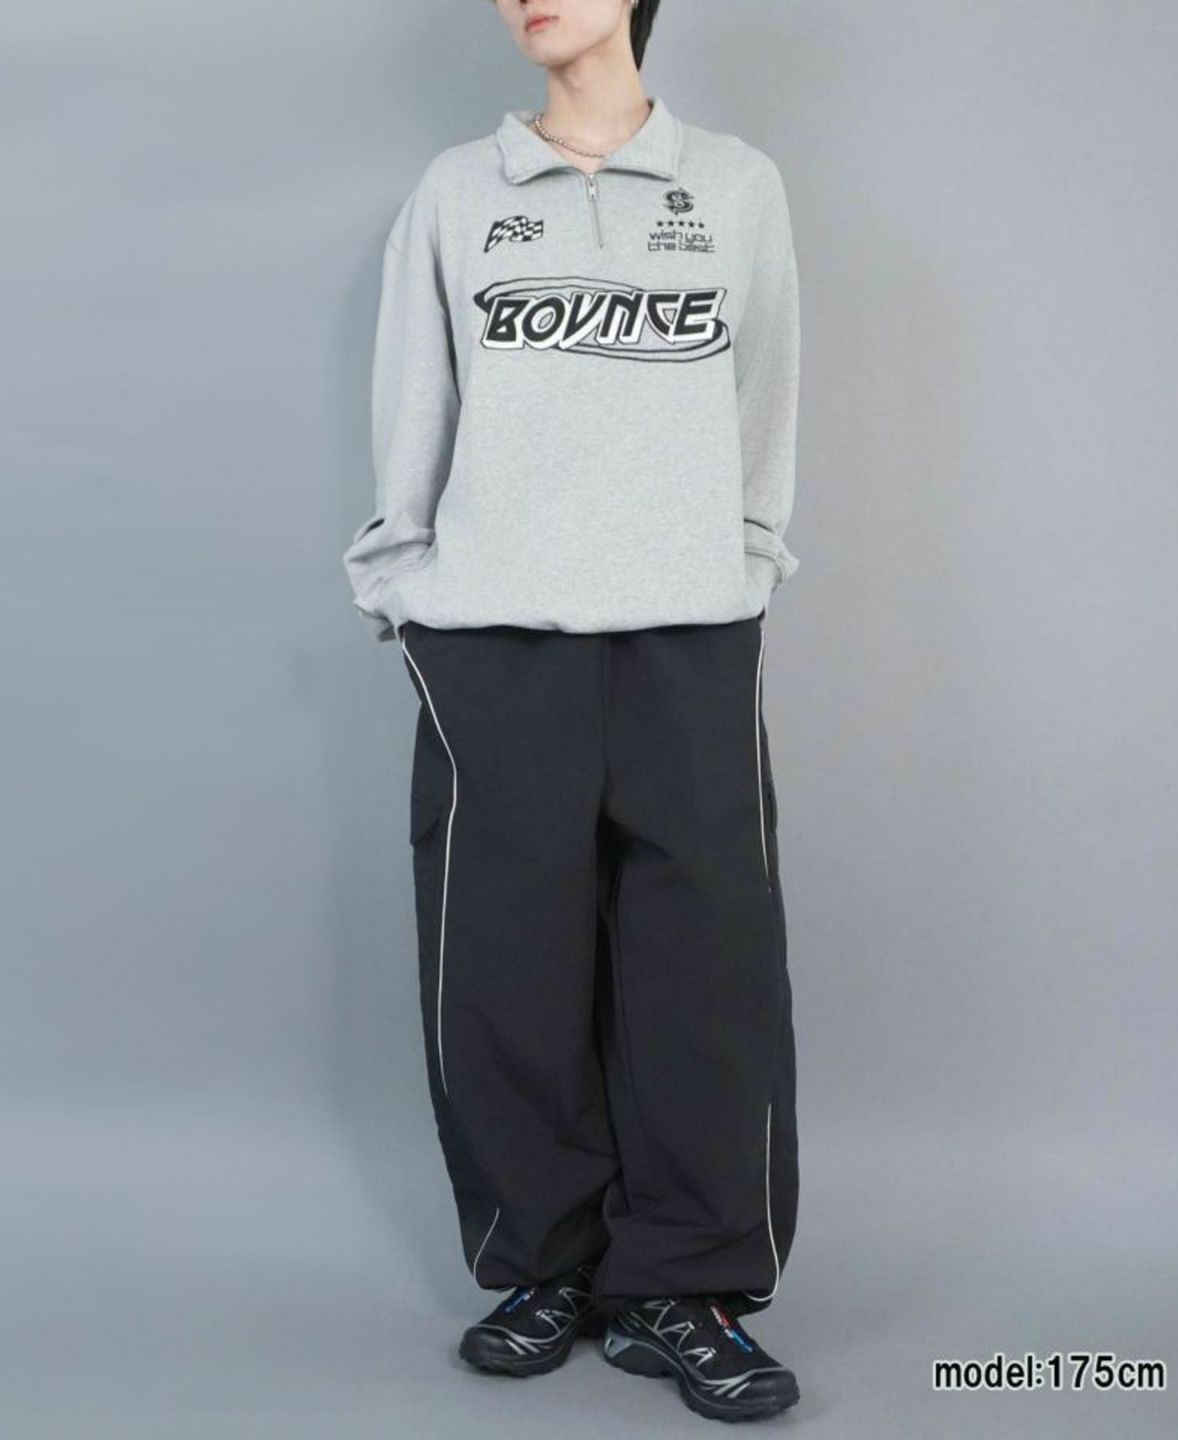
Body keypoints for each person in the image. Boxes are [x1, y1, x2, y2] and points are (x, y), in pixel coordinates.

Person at [342, 0, 802, 1422]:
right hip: (496, 637)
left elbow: (764, 400)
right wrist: (406, 588)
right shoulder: (457, 194)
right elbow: (413, 402)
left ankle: (685, 1286)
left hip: (685, 635)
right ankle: (541, 1263)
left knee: (704, 969)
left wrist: (739, 565)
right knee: (503, 963)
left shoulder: (735, 187)